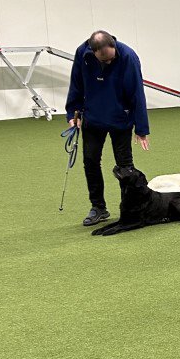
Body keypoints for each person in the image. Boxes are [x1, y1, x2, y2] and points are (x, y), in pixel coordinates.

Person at [65, 30, 150, 226]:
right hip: (93, 118)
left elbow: (137, 92)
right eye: (104, 60)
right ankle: (98, 208)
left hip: (121, 119)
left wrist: (141, 129)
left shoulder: (128, 56)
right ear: (93, 51)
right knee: (90, 160)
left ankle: (129, 208)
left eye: (111, 59)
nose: (108, 63)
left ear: (114, 47)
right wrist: (73, 112)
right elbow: (76, 83)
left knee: (125, 167)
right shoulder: (82, 53)